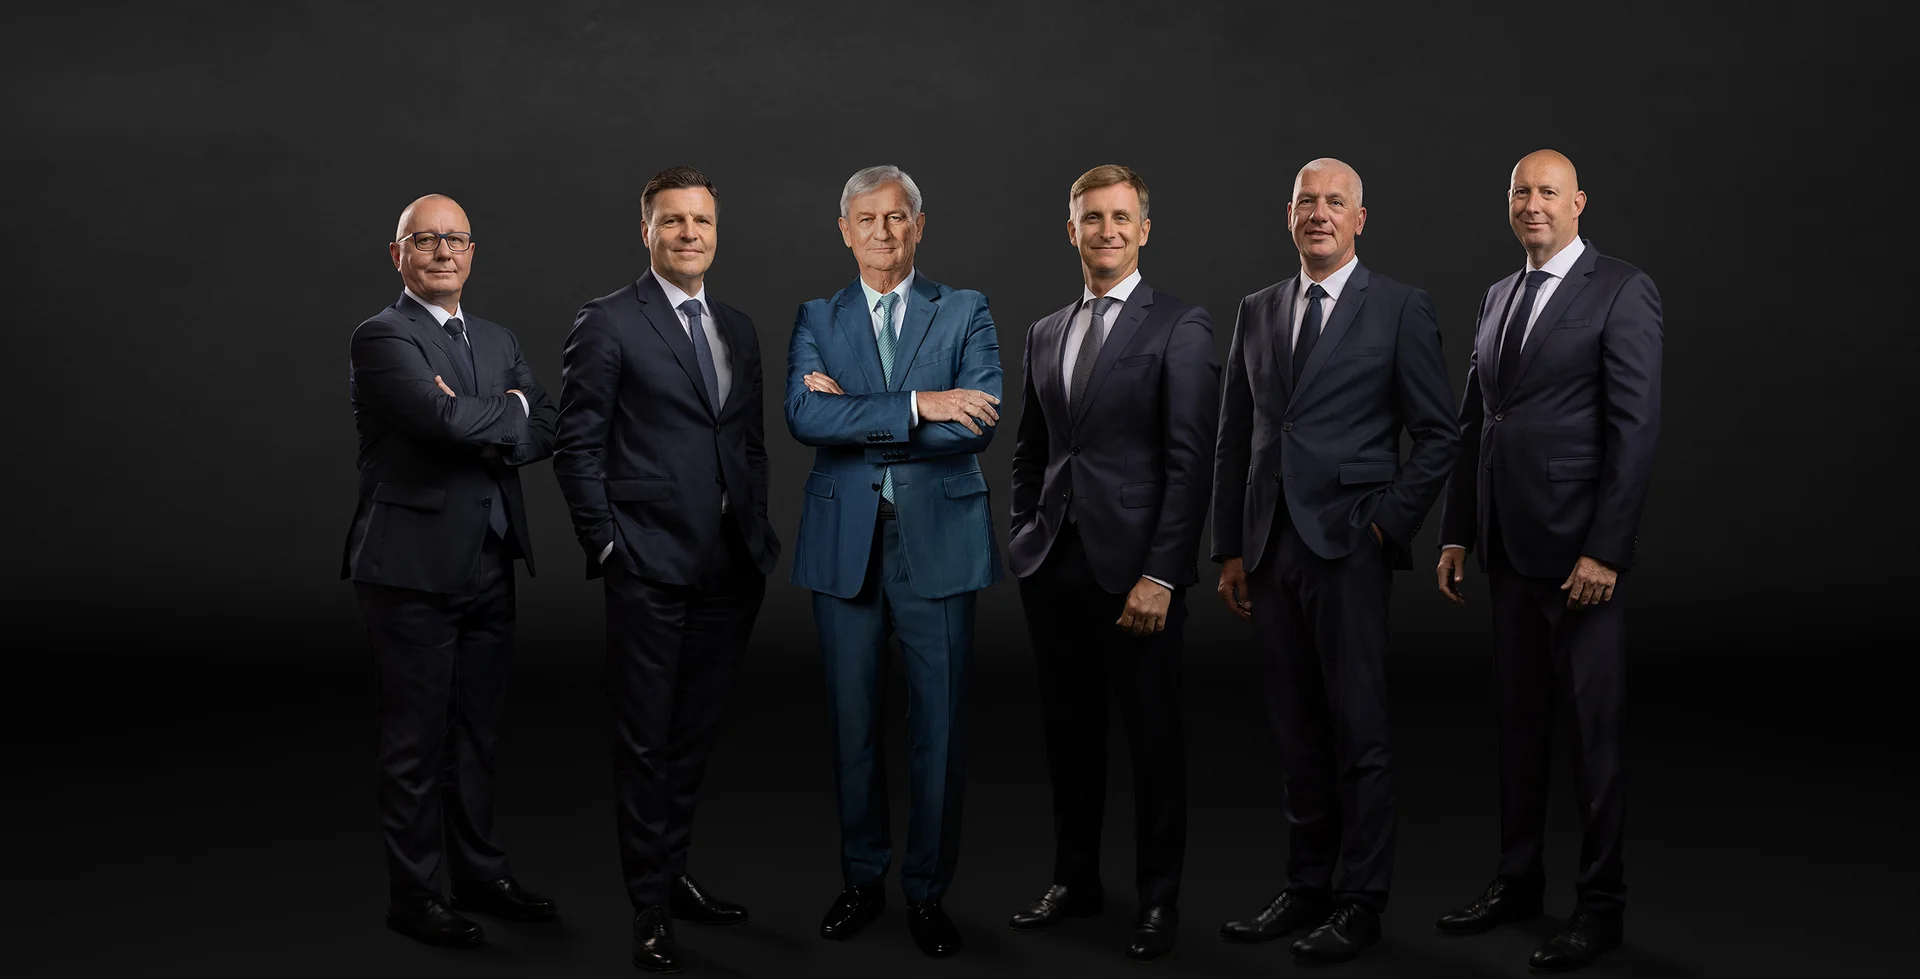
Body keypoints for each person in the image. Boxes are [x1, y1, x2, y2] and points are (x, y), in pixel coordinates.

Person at [1211, 159, 1459, 963]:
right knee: (1295, 729)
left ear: (1360, 219)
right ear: (1289, 216)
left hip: (1350, 543)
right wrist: (1231, 546)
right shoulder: (1257, 309)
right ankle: (1307, 883)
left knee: (1360, 729)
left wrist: (1387, 525)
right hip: (1272, 546)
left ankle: (1361, 899)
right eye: (1307, 202)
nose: (1320, 214)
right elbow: (1233, 440)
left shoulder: (1398, 308)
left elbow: (1438, 433)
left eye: (1335, 203)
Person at [1432, 149, 1662, 973]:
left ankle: (1600, 906)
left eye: (1548, 192)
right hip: (1507, 550)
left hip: (1578, 557)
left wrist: (1606, 548)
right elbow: (1475, 422)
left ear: (1579, 203)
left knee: (1593, 740)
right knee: (1521, 729)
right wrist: (1459, 530)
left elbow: (1633, 432)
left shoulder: (1622, 289)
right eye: (1521, 192)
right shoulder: (1501, 294)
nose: (1533, 204)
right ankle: (1518, 881)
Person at [553, 166, 779, 974]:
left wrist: (756, 530)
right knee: (644, 739)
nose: (690, 233)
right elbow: (578, 443)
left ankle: (673, 872)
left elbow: (745, 439)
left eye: (703, 221)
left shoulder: (739, 328)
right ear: (645, 231)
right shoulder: (610, 321)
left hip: (729, 567)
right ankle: (648, 906)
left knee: (693, 735)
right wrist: (606, 542)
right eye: (673, 221)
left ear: (717, 231)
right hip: (646, 561)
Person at [785, 165, 1003, 960]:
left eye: (898, 218)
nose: (883, 231)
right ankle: (861, 879)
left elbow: (976, 421)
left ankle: (927, 890)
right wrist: (919, 404)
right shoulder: (816, 315)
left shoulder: (965, 309)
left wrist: (858, 412)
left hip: (938, 546)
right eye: (867, 219)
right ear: (844, 229)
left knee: (938, 730)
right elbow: (804, 415)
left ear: (919, 227)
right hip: (844, 545)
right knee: (854, 726)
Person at [1004, 164, 1217, 961]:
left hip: (1137, 573)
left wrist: (1163, 573)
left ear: (1144, 229)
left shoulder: (1181, 325)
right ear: (1072, 229)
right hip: (1053, 566)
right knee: (1070, 735)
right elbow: (1032, 450)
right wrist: (1025, 530)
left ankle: (1158, 897)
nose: (1107, 230)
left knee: (1153, 740)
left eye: (1122, 217)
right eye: (1092, 217)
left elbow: (1189, 461)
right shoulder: (1047, 330)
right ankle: (1075, 878)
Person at [342, 193, 560, 947]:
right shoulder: (380, 337)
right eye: (425, 239)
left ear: (473, 251)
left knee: (475, 733)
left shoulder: (496, 336)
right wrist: (510, 410)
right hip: (409, 569)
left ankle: (478, 873)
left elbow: (551, 426)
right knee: (415, 741)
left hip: (491, 559)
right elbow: (439, 423)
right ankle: (414, 895)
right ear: (397, 252)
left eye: (455, 239)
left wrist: (494, 412)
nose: (442, 251)